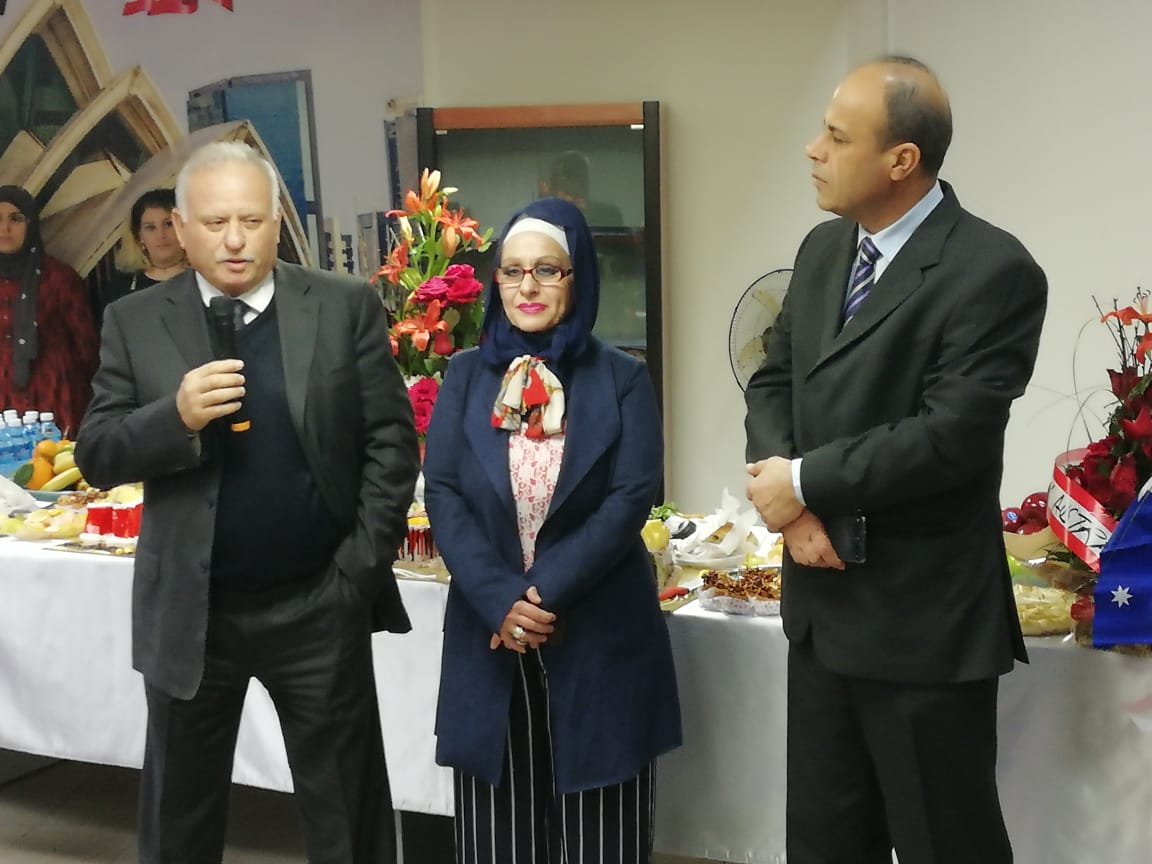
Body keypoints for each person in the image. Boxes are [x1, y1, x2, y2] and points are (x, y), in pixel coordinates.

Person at [75, 141, 420, 864]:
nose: (235, 240)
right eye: (216, 222)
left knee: (347, 816)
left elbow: (390, 443)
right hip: (192, 613)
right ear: (180, 227)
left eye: (252, 221)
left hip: (318, 604)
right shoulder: (135, 320)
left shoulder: (341, 305)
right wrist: (175, 416)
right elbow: (98, 454)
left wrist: (354, 573)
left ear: (275, 224)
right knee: (179, 820)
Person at [743, 57, 1047, 864]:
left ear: (901, 160)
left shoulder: (992, 270)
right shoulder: (822, 251)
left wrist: (802, 481)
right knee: (823, 843)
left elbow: (948, 437)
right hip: (821, 611)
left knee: (943, 843)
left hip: (920, 625)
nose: (812, 150)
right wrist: (791, 508)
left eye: (836, 137)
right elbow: (772, 379)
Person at [423, 197, 680, 864]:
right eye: (512, 271)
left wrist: (538, 598)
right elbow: (444, 493)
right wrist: (500, 598)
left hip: (599, 635)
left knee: (605, 839)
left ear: (578, 277)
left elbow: (630, 498)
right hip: (489, 632)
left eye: (547, 270)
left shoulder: (622, 378)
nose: (527, 286)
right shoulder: (464, 377)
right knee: (498, 842)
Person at [0, 185, 98, 436]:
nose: (5, 228)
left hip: (54, 396)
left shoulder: (59, 278)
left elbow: (86, 347)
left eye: (16, 219)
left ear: (30, 224)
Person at [94, 188, 187, 324]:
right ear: (139, 237)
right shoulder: (119, 289)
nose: (161, 235)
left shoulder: (207, 278)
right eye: (150, 227)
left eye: (169, 224)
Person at [539, 150, 625, 227]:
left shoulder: (608, 215)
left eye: (575, 194)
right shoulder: (542, 217)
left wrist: (583, 215)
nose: (570, 199)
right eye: (566, 192)